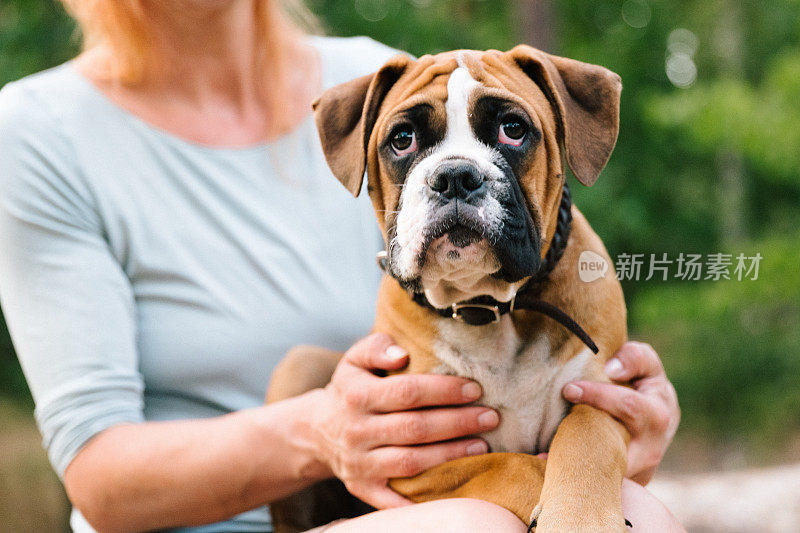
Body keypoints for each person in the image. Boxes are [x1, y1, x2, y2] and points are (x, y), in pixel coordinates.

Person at [0, 1, 682, 531]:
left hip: (420, 507)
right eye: (410, 144)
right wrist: (320, 431)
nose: (450, 175)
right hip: (286, 517)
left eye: (507, 133)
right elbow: (96, 475)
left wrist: (621, 426)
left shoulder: (391, 72)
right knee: (477, 521)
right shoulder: (39, 131)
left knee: (638, 514)